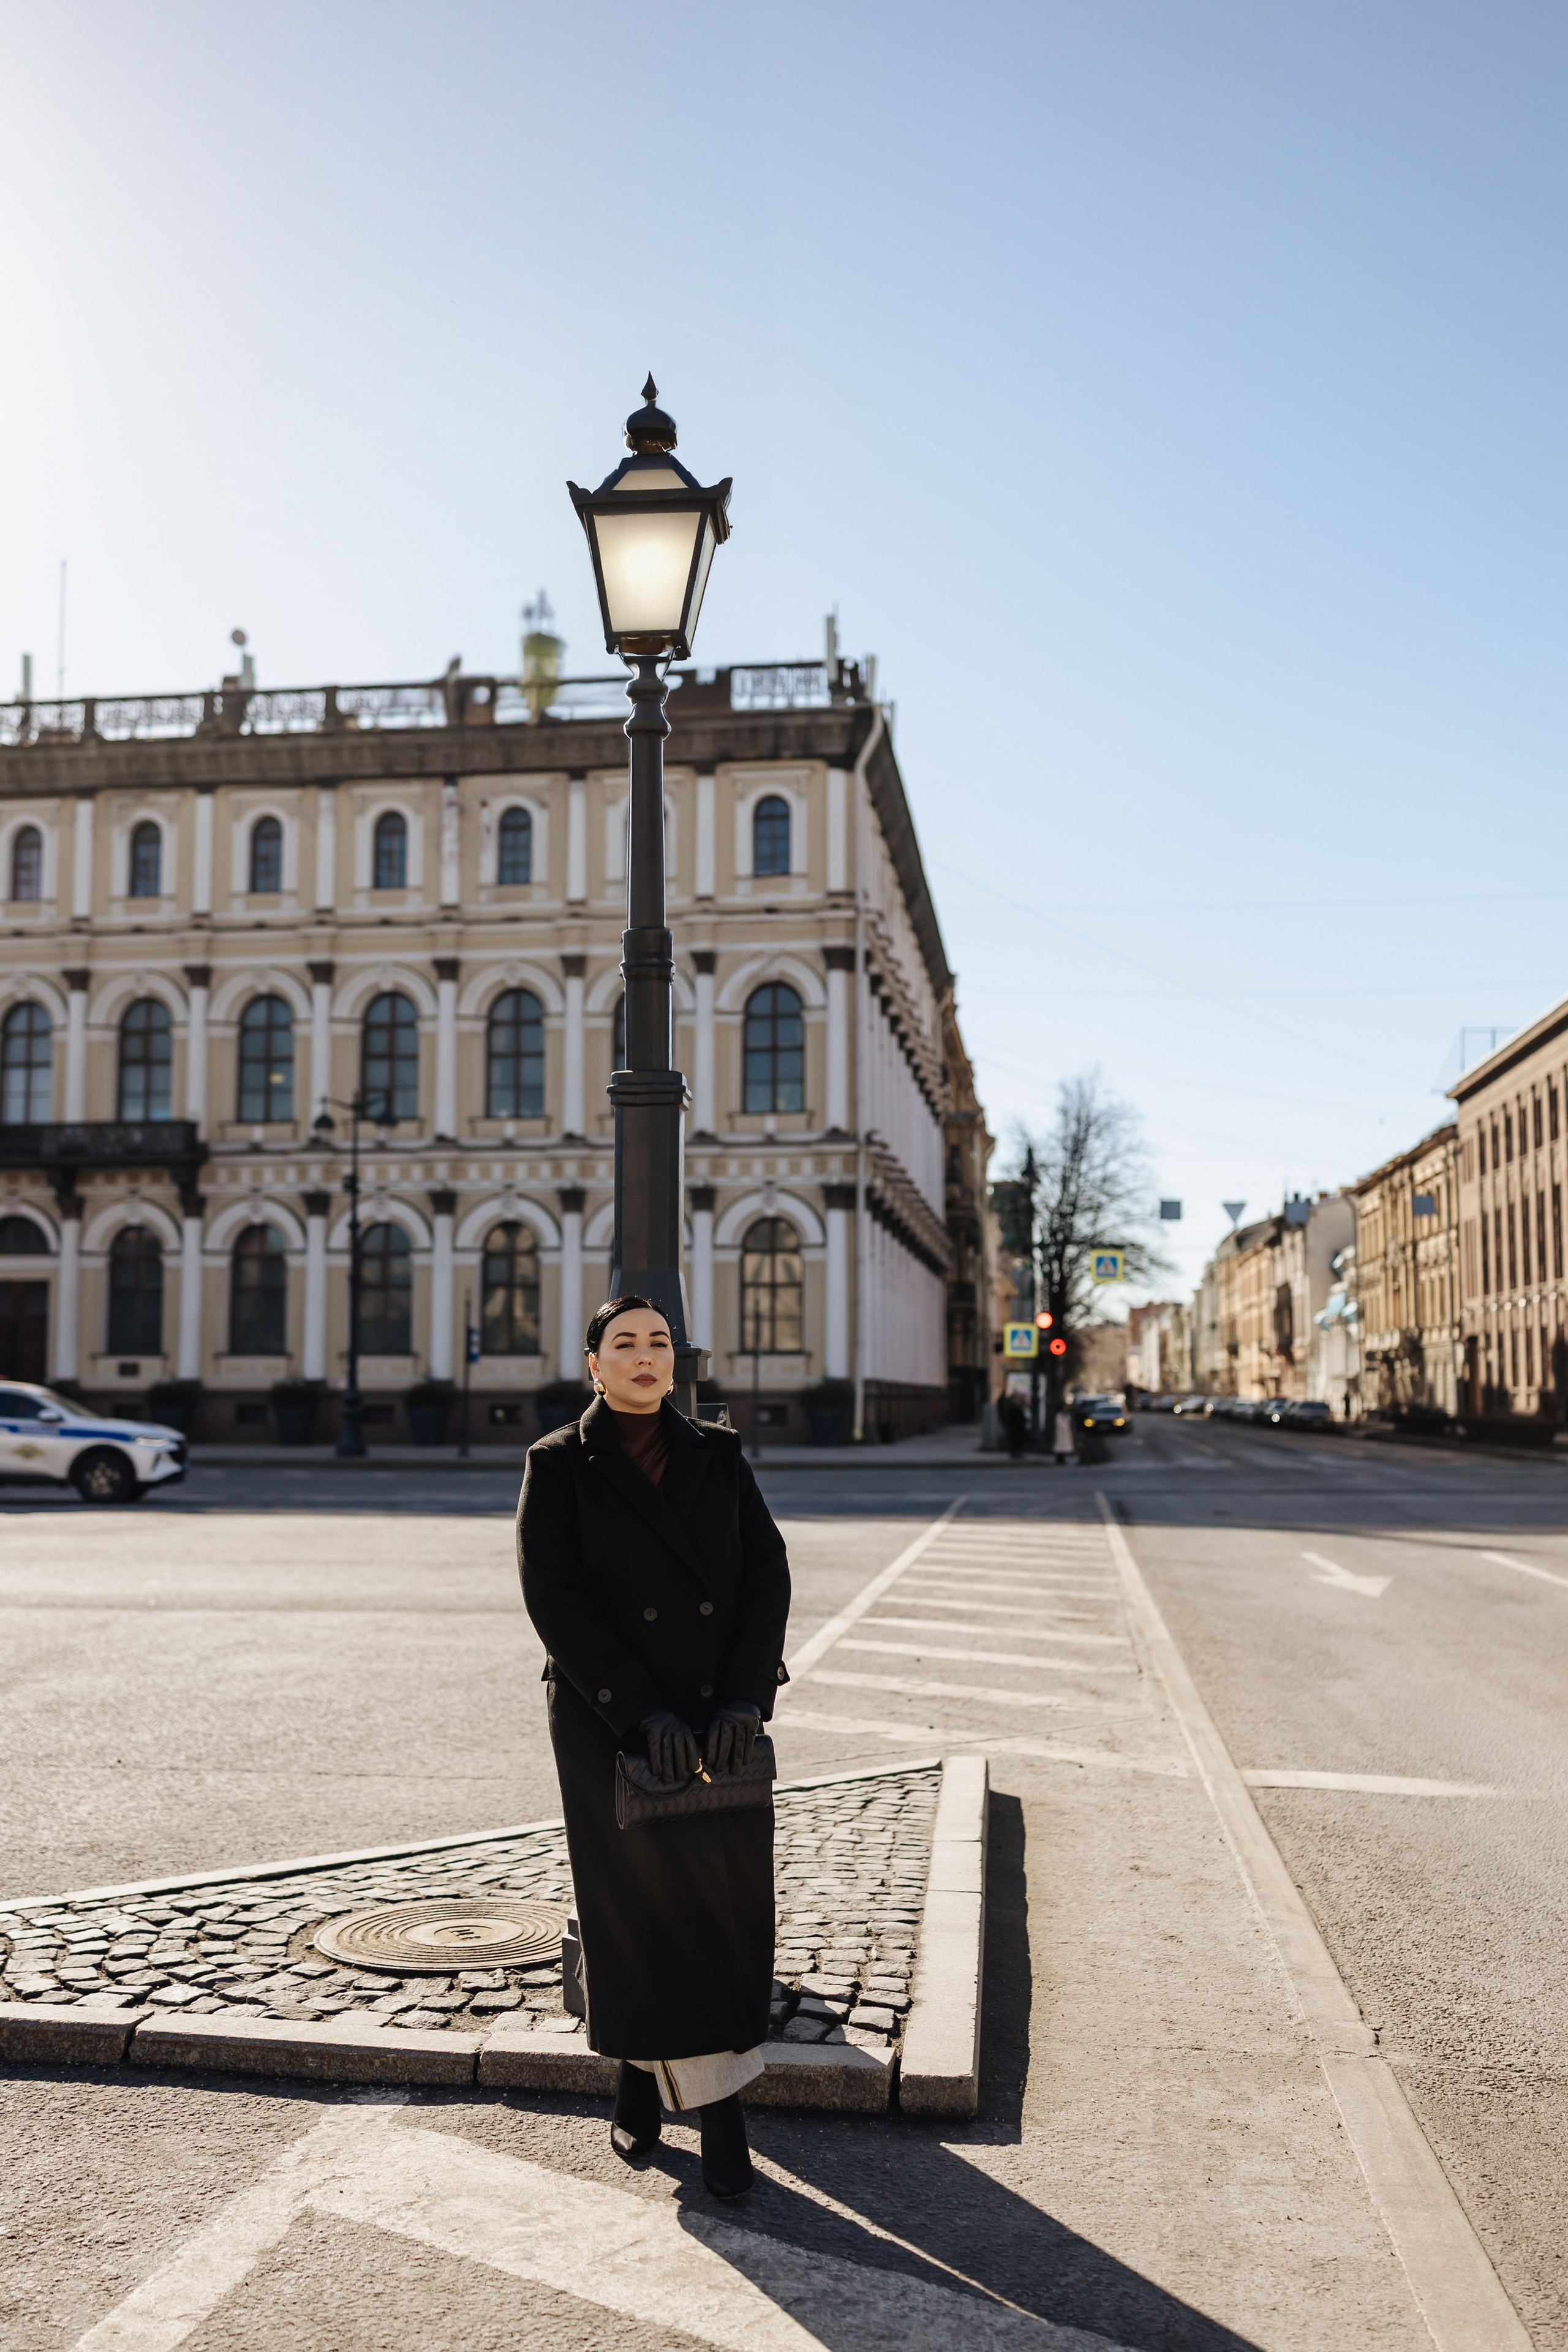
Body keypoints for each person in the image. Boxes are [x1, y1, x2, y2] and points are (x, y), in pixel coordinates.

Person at [517, 1297, 791, 2199]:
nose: (645, 1357)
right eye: (624, 1344)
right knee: (633, 1909)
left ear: (678, 1363)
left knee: (720, 1910)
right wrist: (641, 1715)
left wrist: (747, 1697)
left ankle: (682, 2090)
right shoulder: (557, 1464)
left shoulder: (719, 1453)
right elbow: (556, 1601)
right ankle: (680, 2093)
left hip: (719, 1723)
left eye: (659, 1343)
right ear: (593, 1365)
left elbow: (766, 1574)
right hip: (611, 1726)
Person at [999, 1392, 1029, 1461]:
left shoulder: (1011, 1407)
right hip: (1016, 1429)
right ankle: (1016, 1452)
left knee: (1015, 1441)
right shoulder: (1014, 1408)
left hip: (1015, 1429)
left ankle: (1015, 1452)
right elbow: (1019, 1419)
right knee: (1016, 1441)